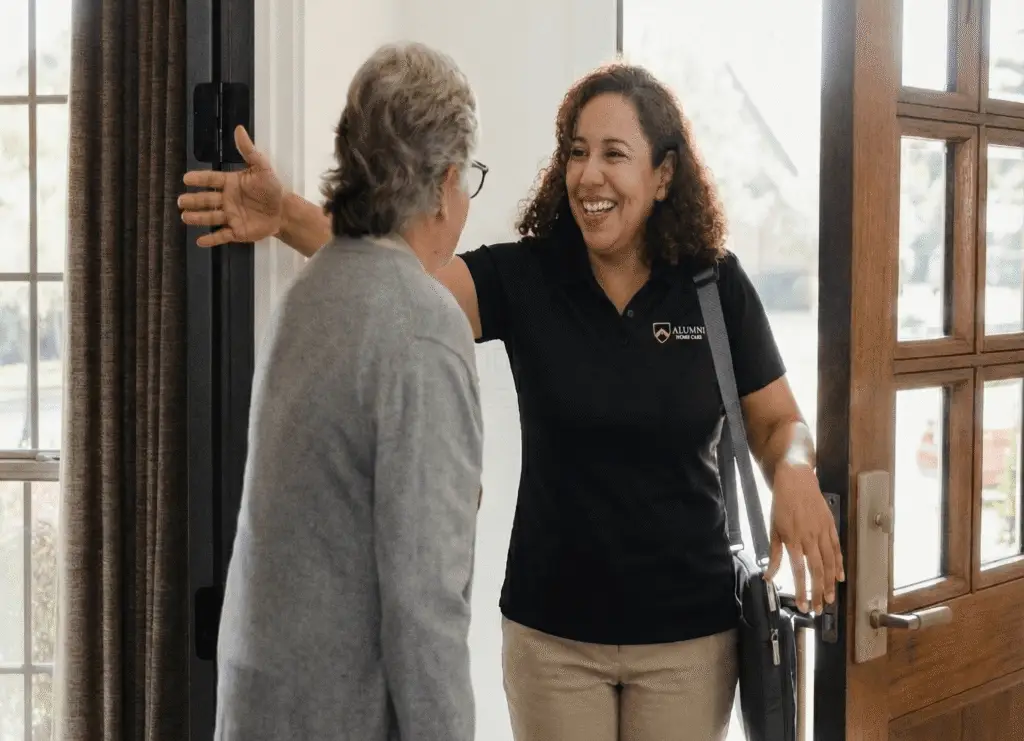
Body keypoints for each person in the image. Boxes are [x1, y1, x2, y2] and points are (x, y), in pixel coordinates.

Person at [181, 62, 844, 741]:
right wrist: (285, 212)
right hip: (552, 637)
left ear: (664, 174)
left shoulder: (713, 285)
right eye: (577, 152)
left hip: (689, 636)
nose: (589, 174)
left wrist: (793, 470)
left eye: (615, 154)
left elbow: (778, 421)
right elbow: (400, 279)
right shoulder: (528, 274)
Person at [207, 42, 485, 741]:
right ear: (447, 182)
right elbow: (426, 605)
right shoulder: (423, 326)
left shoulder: (312, 291)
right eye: (469, 178)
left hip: (257, 705)